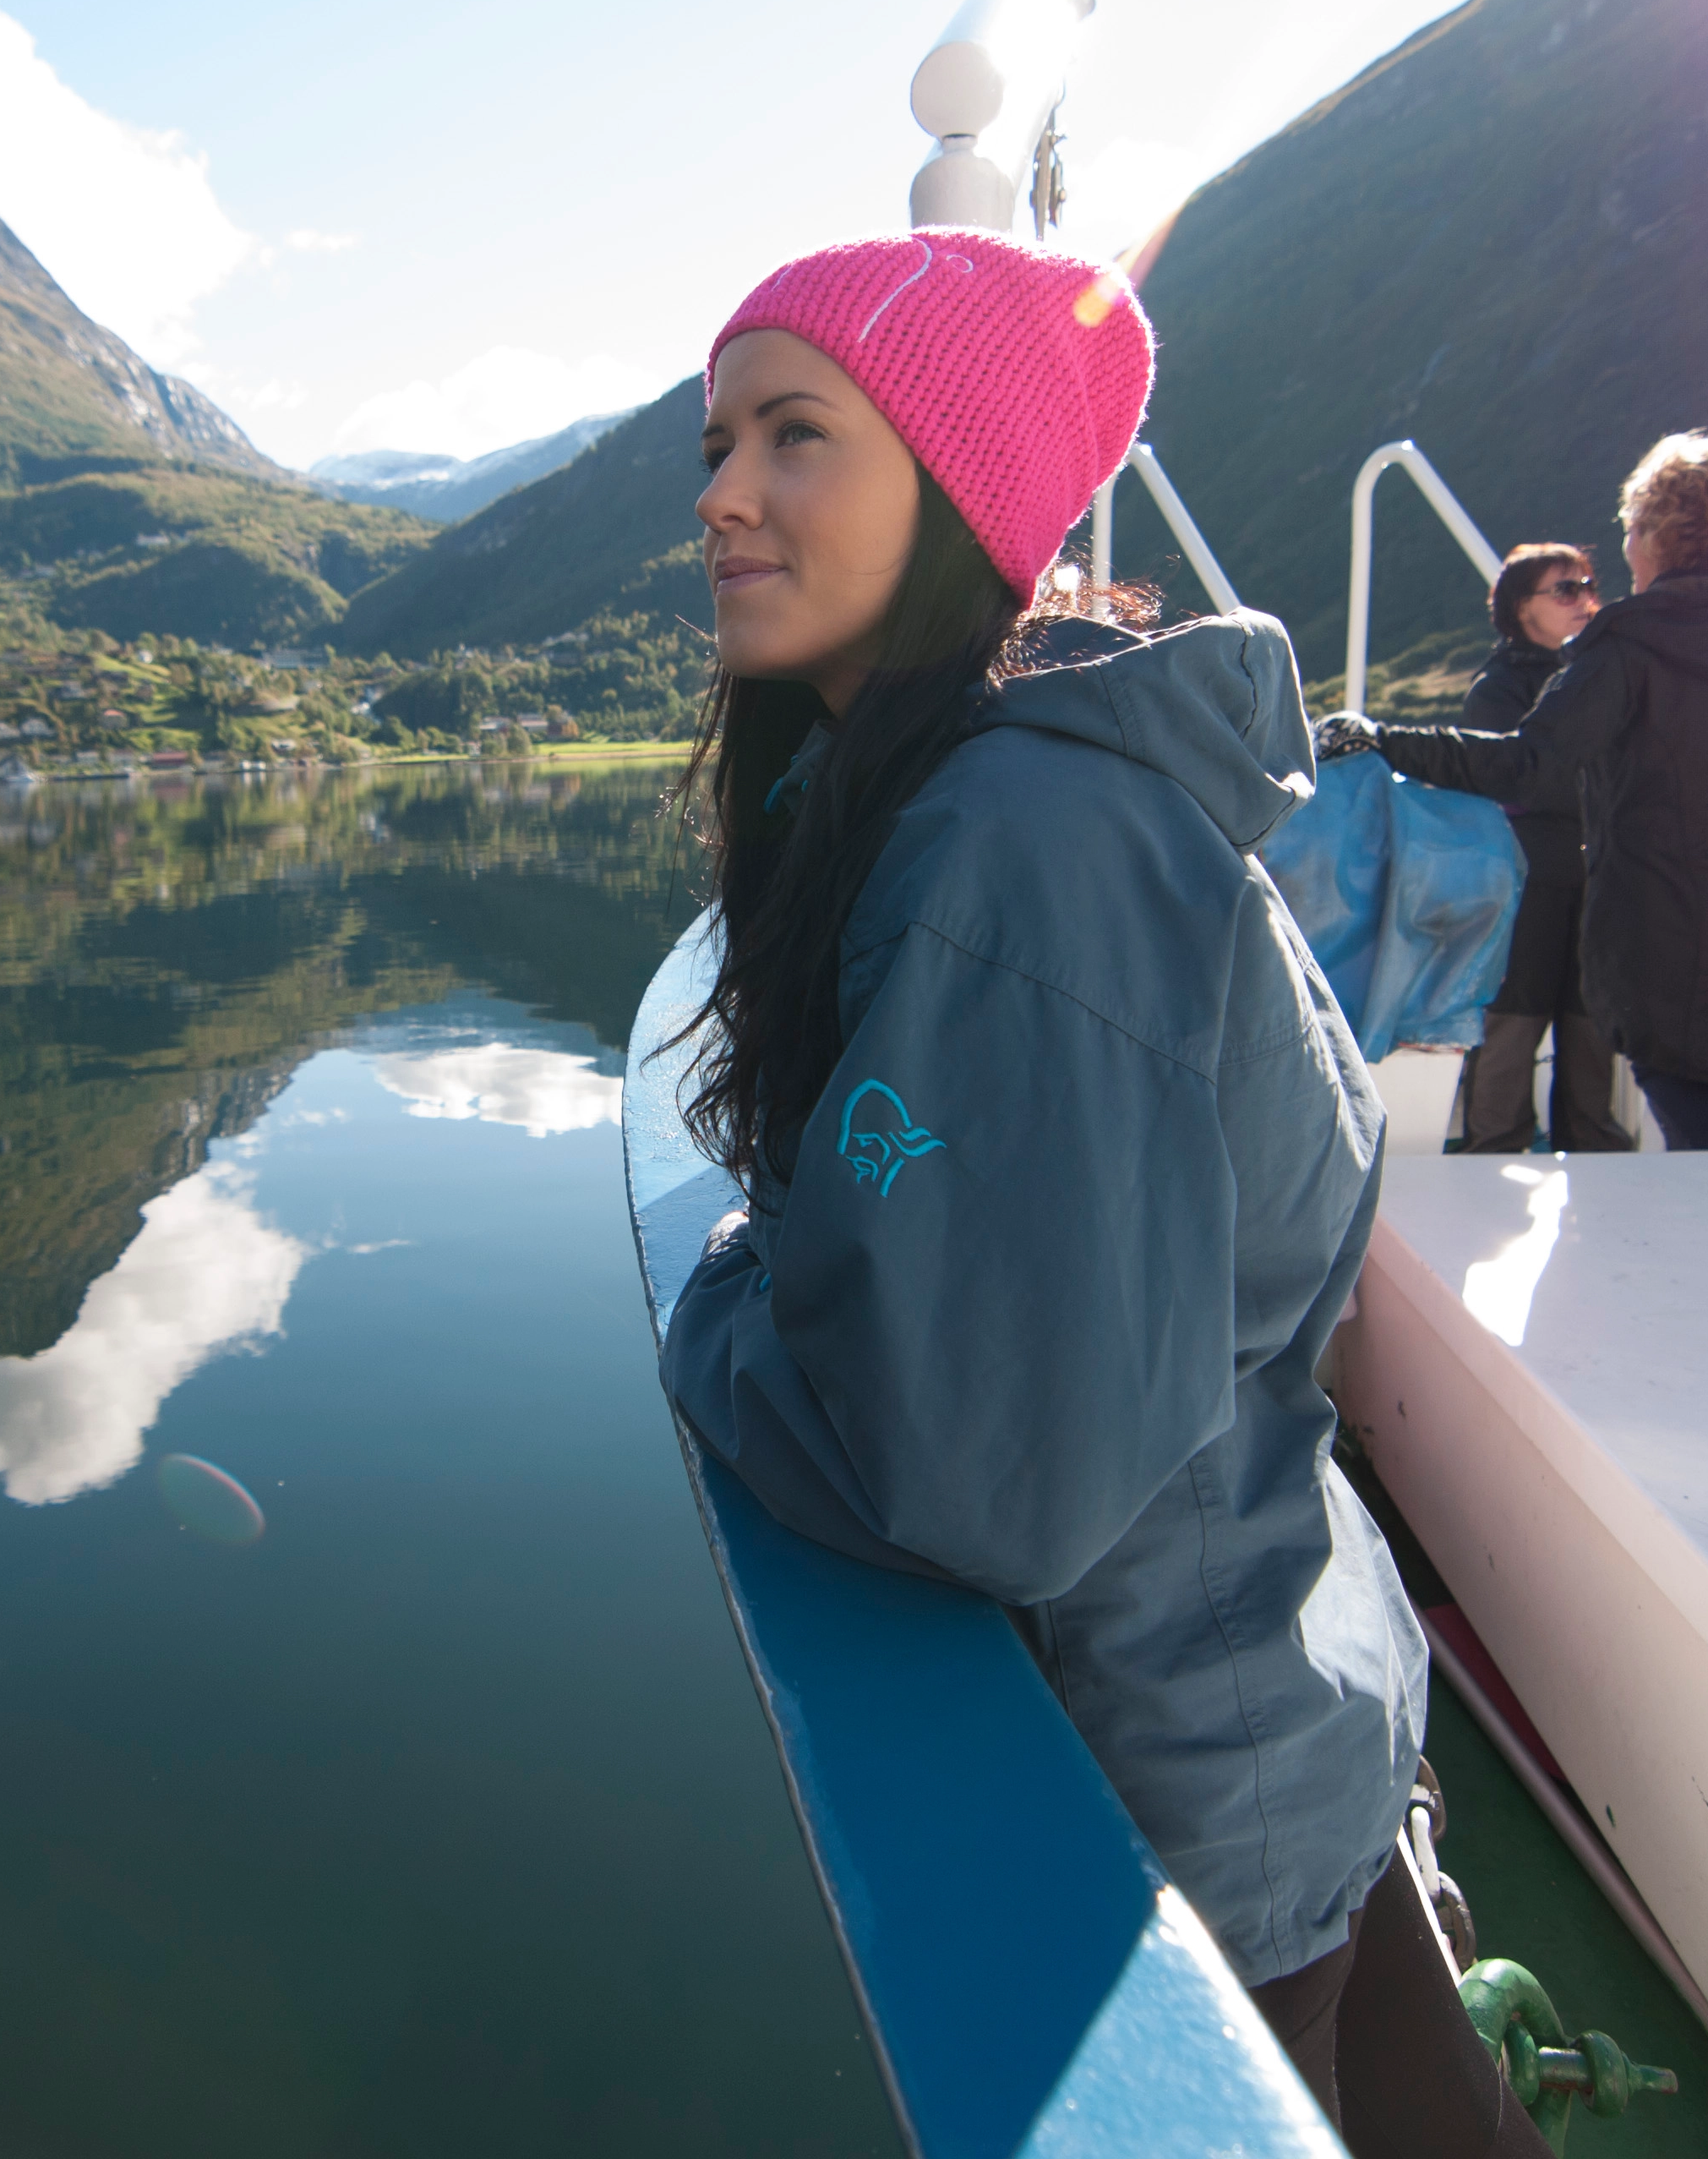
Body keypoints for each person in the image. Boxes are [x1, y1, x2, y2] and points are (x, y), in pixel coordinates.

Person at [659, 230, 1542, 2154]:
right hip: (1284, 1691)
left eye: (792, 433)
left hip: (1176, 1778)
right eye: (716, 442)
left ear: (951, 489)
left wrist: (721, 1303)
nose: (717, 492)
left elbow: (989, 1486)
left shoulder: (1016, 850)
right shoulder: (1005, 792)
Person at [1323, 433, 1708, 1163]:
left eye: (1631, 529)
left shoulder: (1636, 643)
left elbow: (1529, 765)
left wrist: (1385, 739)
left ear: (1656, 535)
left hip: (1677, 943)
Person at [1452, 545, 1628, 1154]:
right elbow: (1518, 778)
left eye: (1588, 585)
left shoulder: (1599, 674)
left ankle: (1596, 1151)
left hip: (1595, 874)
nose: (1584, 599)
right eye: (1565, 589)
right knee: (1512, 1018)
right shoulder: (1497, 690)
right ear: (1520, 607)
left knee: (1592, 1017)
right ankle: (1492, 1151)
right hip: (1524, 880)